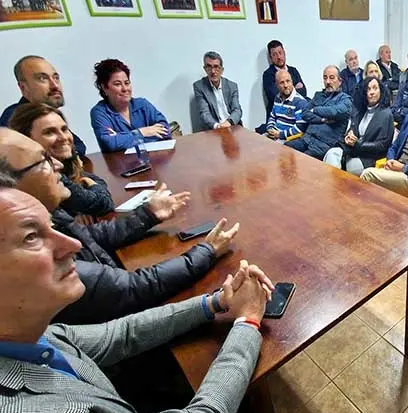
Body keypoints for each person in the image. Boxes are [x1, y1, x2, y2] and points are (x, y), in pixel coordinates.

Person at [0, 183, 298, 413]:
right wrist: (247, 322)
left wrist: (215, 302)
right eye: (31, 237)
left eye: (52, 228)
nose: (73, 246)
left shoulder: (27, 336)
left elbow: (121, 333)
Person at [0, 127, 238, 326]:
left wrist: (148, 214)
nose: (58, 165)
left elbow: (92, 235)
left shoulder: (52, 215)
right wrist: (206, 251)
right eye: (43, 160)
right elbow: (135, 287)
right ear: (8, 189)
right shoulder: (35, 259)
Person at [8, 103, 113, 217]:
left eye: (64, 129)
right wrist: (91, 187)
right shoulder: (38, 175)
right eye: (49, 132)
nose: (63, 137)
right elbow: (103, 203)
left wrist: (89, 185)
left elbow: (95, 182)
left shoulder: (66, 165)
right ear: (26, 140)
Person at [0, 56, 86, 156]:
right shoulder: (14, 118)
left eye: (56, 78)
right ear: (23, 87)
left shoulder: (46, 113)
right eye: (43, 78)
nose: (55, 85)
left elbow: (79, 146)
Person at [89, 59, 170, 153]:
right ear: (104, 88)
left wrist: (121, 137)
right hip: (120, 165)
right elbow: (110, 143)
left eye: (127, 83)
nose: (125, 89)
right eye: (117, 84)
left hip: (154, 159)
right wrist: (143, 132)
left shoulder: (142, 104)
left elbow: (165, 130)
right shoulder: (99, 112)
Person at [323, 76, 393, 176]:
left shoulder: (386, 114)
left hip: (369, 158)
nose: (372, 92)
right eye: (368, 89)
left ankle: (333, 188)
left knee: (340, 169)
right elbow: (353, 128)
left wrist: (358, 144)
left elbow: (382, 145)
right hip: (352, 151)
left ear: (381, 91)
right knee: (331, 153)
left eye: (375, 88)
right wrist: (349, 135)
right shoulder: (361, 110)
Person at [285, 66, 352, 161]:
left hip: (323, 145)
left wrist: (315, 110)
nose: (328, 82)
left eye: (332, 78)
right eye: (325, 78)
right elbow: (305, 113)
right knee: (285, 149)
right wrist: (322, 119)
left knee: (301, 160)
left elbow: (334, 112)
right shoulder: (318, 95)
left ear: (340, 81)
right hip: (306, 138)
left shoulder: (345, 100)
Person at [193, 51, 243, 131]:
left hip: (232, 126)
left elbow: (237, 110)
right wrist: (217, 126)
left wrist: (228, 122)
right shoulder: (199, 87)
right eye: (209, 67)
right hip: (213, 130)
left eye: (216, 67)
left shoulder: (232, 86)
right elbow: (204, 113)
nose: (213, 71)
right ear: (205, 69)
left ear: (222, 69)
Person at [262, 40, 306, 116]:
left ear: (284, 53)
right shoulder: (268, 75)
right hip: (278, 115)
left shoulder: (293, 70)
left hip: (296, 113)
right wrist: (295, 88)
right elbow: (277, 96)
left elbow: (303, 92)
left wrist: (286, 91)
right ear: (271, 57)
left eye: (280, 53)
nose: (279, 57)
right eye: (275, 54)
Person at [264, 69, 310, 143]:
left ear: (292, 82)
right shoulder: (277, 98)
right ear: (277, 85)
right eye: (282, 82)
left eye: (288, 81)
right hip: (274, 134)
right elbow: (272, 117)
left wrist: (280, 135)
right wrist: (270, 129)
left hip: (287, 139)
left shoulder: (300, 102)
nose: (285, 85)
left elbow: (300, 128)